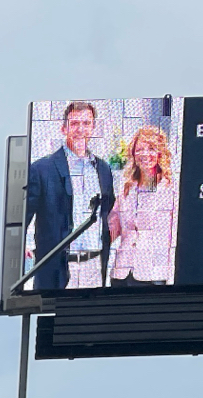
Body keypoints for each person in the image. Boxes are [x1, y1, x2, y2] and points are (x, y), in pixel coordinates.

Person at [25, 101, 114, 290]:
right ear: (63, 128)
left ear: (93, 127)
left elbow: (108, 213)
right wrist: (21, 244)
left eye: (86, 123)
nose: (80, 129)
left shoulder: (103, 169)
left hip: (94, 266)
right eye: (74, 124)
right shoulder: (42, 169)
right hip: (57, 269)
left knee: (90, 320)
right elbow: (24, 215)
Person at [110, 126, 177, 285]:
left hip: (152, 273)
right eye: (139, 149)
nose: (145, 154)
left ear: (160, 153)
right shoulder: (127, 188)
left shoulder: (170, 189)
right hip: (122, 271)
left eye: (151, 149)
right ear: (133, 154)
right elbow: (114, 226)